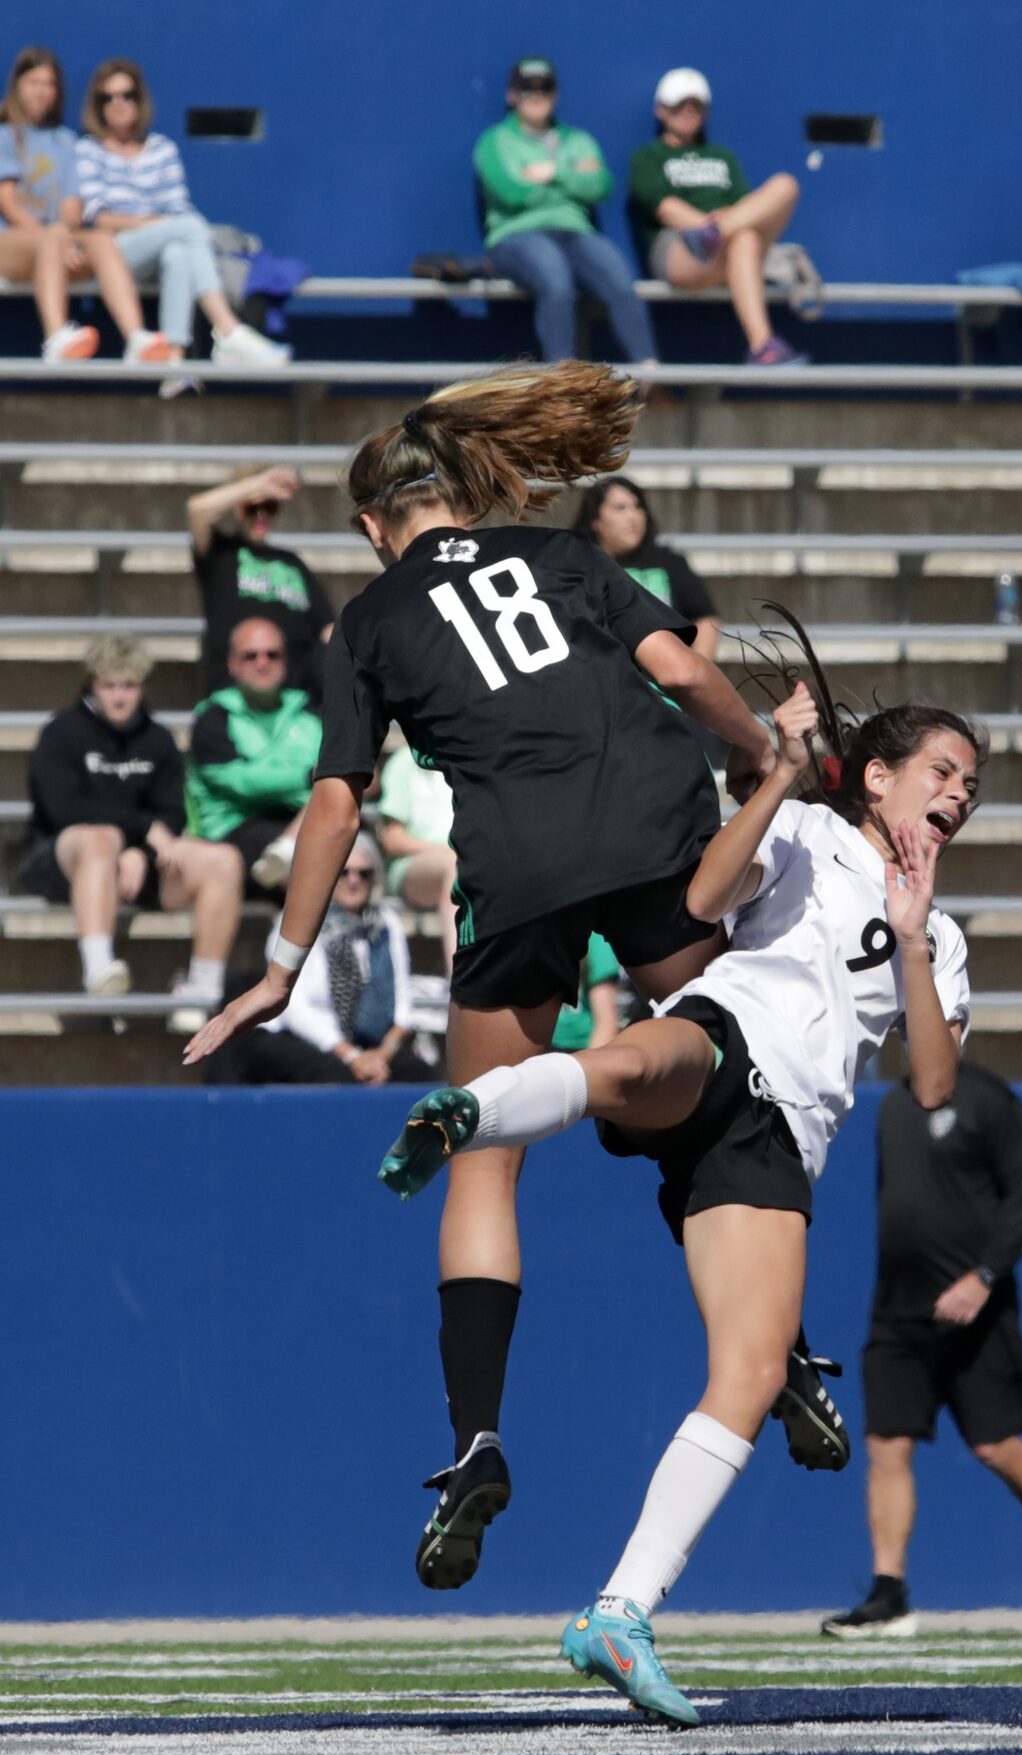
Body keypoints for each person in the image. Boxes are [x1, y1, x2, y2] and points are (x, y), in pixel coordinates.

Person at [182, 361, 779, 1600]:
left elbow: (340, 800)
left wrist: (280, 971)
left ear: (371, 526)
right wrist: (763, 749)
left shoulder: (370, 624)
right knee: (727, 1083)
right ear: (461, 490)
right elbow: (678, 672)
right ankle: (788, 1349)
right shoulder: (564, 558)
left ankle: (475, 1443)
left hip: (519, 868)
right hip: (656, 832)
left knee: (486, 1156)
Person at [376, 686, 979, 1725]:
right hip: (726, 1036)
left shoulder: (945, 938)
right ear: (875, 779)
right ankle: (471, 1110)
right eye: (943, 772)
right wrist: (783, 774)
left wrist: (914, 940)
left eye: (972, 785)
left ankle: (618, 1613)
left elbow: (931, 1085)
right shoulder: (803, 835)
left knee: (747, 1375)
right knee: (635, 1060)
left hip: (786, 1134)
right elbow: (702, 902)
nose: (960, 795)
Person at [822, 1058, 1022, 1641]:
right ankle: (889, 1593)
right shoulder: (895, 1105)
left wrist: (984, 1277)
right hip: (899, 1311)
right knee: (887, 1445)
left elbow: (1021, 1197)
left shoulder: (990, 1099)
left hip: (976, 1309)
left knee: (997, 1446)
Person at [21, 634, 238, 1010]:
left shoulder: (157, 738)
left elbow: (171, 811)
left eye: (129, 686)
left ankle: (203, 987)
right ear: (92, 685)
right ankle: (99, 966)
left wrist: (136, 849)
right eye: (110, 686)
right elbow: (62, 809)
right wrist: (134, 834)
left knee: (224, 860)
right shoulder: (62, 733)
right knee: (99, 839)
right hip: (61, 858)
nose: (119, 696)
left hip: (135, 864)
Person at [74, 59, 289, 380]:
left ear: (139, 99)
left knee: (179, 252)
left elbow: (177, 207)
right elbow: (99, 218)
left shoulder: (162, 149)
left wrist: (159, 225)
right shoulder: (87, 150)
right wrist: (155, 223)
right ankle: (228, 330)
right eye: (108, 97)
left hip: (161, 251)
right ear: (97, 105)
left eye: (126, 95)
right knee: (190, 228)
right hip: (114, 255)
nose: (118, 104)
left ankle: (174, 364)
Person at [205, 834, 430, 1088]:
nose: (353, 881)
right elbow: (296, 1010)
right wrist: (352, 1056)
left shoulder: (387, 924)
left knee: (417, 1074)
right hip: (304, 1039)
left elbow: (402, 1005)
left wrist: (380, 1056)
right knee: (335, 1077)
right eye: (343, 872)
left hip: (370, 1044)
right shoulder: (298, 923)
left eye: (363, 873)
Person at [475, 58, 657, 368]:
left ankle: (650, 374)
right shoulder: (494, 141)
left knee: (619, 278)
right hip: (516, 236)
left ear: (555, 94)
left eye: (544, 88)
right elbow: (512, 193)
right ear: (512, 96)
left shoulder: (578, 139)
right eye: (527, 88)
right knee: (555, 279)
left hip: (575, 231)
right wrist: (573, 175)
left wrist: (549, 171)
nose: (536, 95)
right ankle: (563, 379)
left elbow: (600, 186)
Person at [627, 67, 804, 367]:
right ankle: (763, 344)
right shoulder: (648, 156)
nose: (687, 111)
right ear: (660, 110)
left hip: (725, 239)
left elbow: (746, 206)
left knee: (785, 186)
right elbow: (665, 208)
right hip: (678, 245)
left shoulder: (723, 156)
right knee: (742, 235)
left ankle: (764, 348)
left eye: (695, 105)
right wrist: (703, 225)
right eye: (678, 104)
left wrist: (720, 226)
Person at [0, 46, 156, 363]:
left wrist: (63, 237)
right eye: (34, 82)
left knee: (99, 239)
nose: (42, 92)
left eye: (50, 84)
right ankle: (57, 338)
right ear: (17, 85)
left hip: (55, 245)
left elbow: (72, 208)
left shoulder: (66, 141)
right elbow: (8, 203)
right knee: (53, 236)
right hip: (10, 245)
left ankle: (137, 339)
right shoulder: (4, 135)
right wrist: (55, 239)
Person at [184, 619, 321, 893]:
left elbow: (347, 774)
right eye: (251, 656)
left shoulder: (310, 713)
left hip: (304, 820)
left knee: (350, 845)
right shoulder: (213, 717)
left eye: (273, 654)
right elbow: (241, 783)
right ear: (232, 663)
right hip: (234, 829)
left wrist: (318, 780)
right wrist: (308, 776)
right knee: (314, 856)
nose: (263, 663)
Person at [189, 467, 337, 702]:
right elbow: (197, 510)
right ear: (237, 509)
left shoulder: (292, 563)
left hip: (293, 703)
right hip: (233, 697)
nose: (261, 516)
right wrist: (257, 485)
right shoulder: (221, 553)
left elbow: (328, 628)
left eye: (269, 507)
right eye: (251, 508)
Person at [572, 475, 722, 664]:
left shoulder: (669, 562)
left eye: (638, 506)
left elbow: (705, 619)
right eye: (620, 508)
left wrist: (696, 672)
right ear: (595, 520)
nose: (633, 516)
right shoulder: (580, 566)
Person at [373, 741, 459, 969]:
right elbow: (392, 839)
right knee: (456, 868)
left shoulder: (473, 758)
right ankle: (459, 976)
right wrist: (453, 852)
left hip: (470, 862)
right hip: (414, 867)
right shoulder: (404, 761)